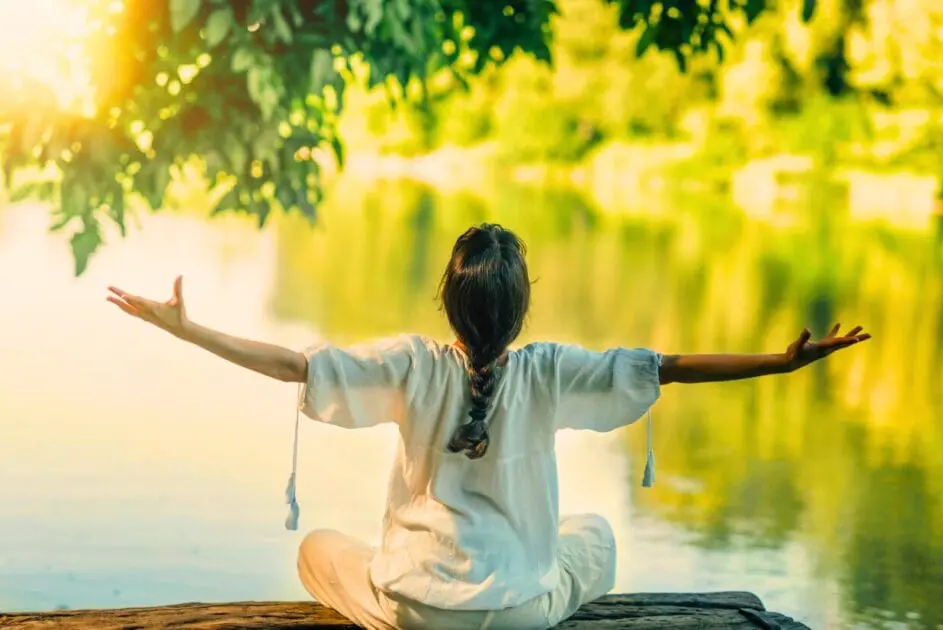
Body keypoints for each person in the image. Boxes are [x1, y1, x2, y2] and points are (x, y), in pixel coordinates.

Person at [107, 223, 870, 630]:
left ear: (447, 298)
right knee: (595, 534)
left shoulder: (410, 363)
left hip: (415, 611)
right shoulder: (551, 368)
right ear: (520, 304)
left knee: (317, 550)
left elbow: (290, 367)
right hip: (518, 614)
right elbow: (667, 365)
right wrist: (778, 362)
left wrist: (189, 330)